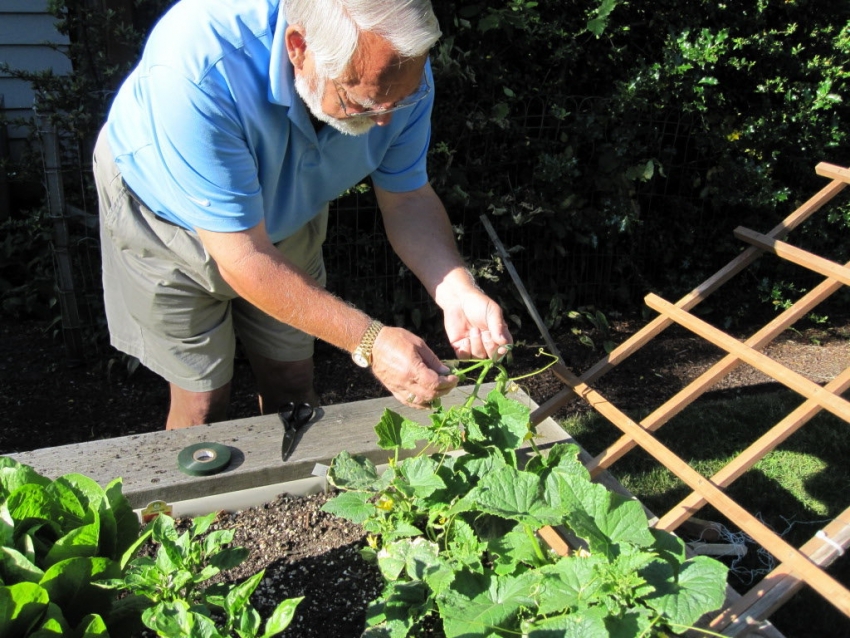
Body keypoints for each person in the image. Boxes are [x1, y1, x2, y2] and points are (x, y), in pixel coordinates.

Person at [93, 0, 513, 430]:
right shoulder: (195, 67)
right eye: (364, 103)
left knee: (292, 380)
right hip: (167, 222)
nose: (387, 120)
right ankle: (204, 498)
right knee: (203, 402)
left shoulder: (397, 74)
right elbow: (243, 257)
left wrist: (457, 289)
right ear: (299, 47)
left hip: (287, 214)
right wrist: (370, 341)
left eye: (400, 100)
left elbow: (406, 198)